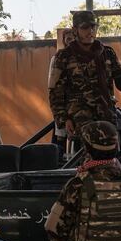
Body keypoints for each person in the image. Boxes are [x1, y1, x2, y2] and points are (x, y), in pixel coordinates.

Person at [48, 11, 121, 148]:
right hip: (80, 120)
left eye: (93, 27)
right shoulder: (64, 57)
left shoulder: (107, 53)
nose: (90, 31)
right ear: (75, 30)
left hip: (106, 116)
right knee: (85, 162)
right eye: (85, 28)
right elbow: (55, 92)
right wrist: (63, 119)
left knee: (110, 158)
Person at [49, 29, 76, 157]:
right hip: (62, 103)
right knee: (61, 138)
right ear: (64, 40)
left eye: (73, 38)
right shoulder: (58, 58)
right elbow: (52, 84)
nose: (71, 41)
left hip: (77, 107)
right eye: (68, 39)